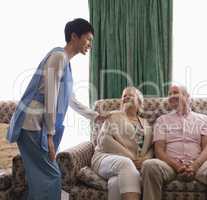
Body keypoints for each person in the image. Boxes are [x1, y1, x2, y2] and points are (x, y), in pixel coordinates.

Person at [7, 18, 101, 200]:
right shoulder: (58, 57)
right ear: (74, 36)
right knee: (51, 176)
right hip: (32, 124)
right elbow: (51, 97)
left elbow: (70, 99)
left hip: (37, 124)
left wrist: (96, 116)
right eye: (88, 39)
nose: (90, 44)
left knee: (40, 179)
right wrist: (50, 135)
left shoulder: (65, 62)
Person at [141, 85, 207, 200]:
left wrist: (194, 166)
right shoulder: (162, 120)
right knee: (149, 165)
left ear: (187, 97)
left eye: (175, 92)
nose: (171, 96)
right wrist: (177, 166)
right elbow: (159, 150)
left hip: (200, 165)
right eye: (169, 94)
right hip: (169, 166)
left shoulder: (203, 119)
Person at [91, 86, 153, 200]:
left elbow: (151, 148)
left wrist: (144, 160)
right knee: (125, 163)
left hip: (131, 165)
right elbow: (104, 140)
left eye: (131, 95)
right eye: (124, 96)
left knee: (115, 184)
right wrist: (131, 158)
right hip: (105, 158)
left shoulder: (146, 124)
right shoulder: (113, 116)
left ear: (139, 103)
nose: (126, 97)